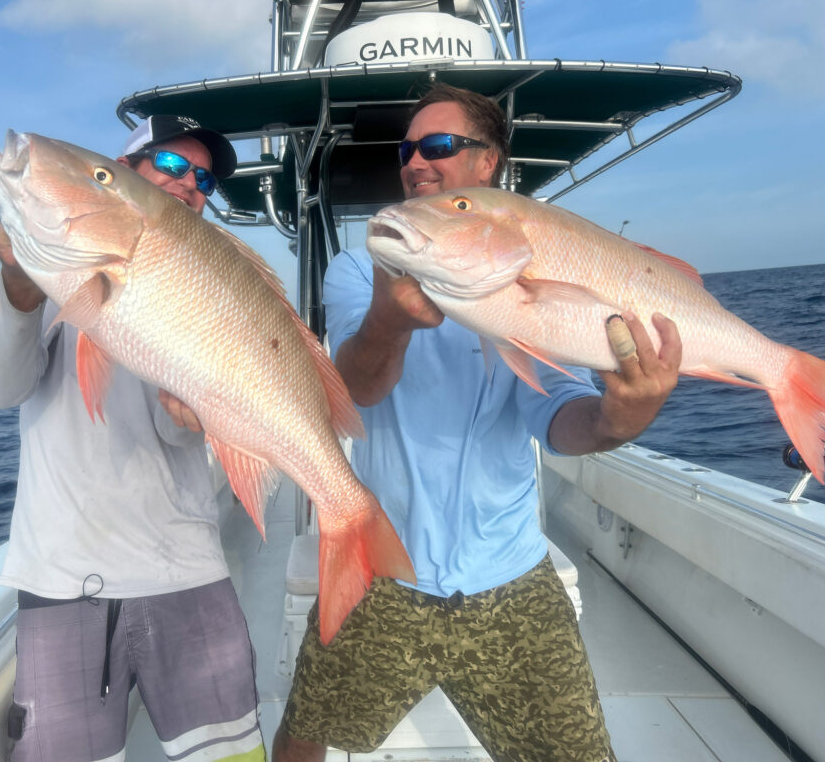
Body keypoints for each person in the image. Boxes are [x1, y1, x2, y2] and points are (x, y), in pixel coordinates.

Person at [273, 84, 682, 762]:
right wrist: (388, 320)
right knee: (305, 730)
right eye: (407, 150)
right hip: (383, 570)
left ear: (488, 162)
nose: (415, 162)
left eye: (438, 146)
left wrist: (619, 419)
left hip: (510, 577)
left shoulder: (532, 272)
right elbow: (355, 389)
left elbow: (558, 415)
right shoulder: (361, 268)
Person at [0, 115, 266, 762]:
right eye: (170, 165)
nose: (188, 184)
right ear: (124, 171)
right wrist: (19, 286)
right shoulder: (52, 275)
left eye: (203, 179)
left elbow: (175, 431)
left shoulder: (205, 293)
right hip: (64, 580)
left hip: (188, 568)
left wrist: (197, 414)